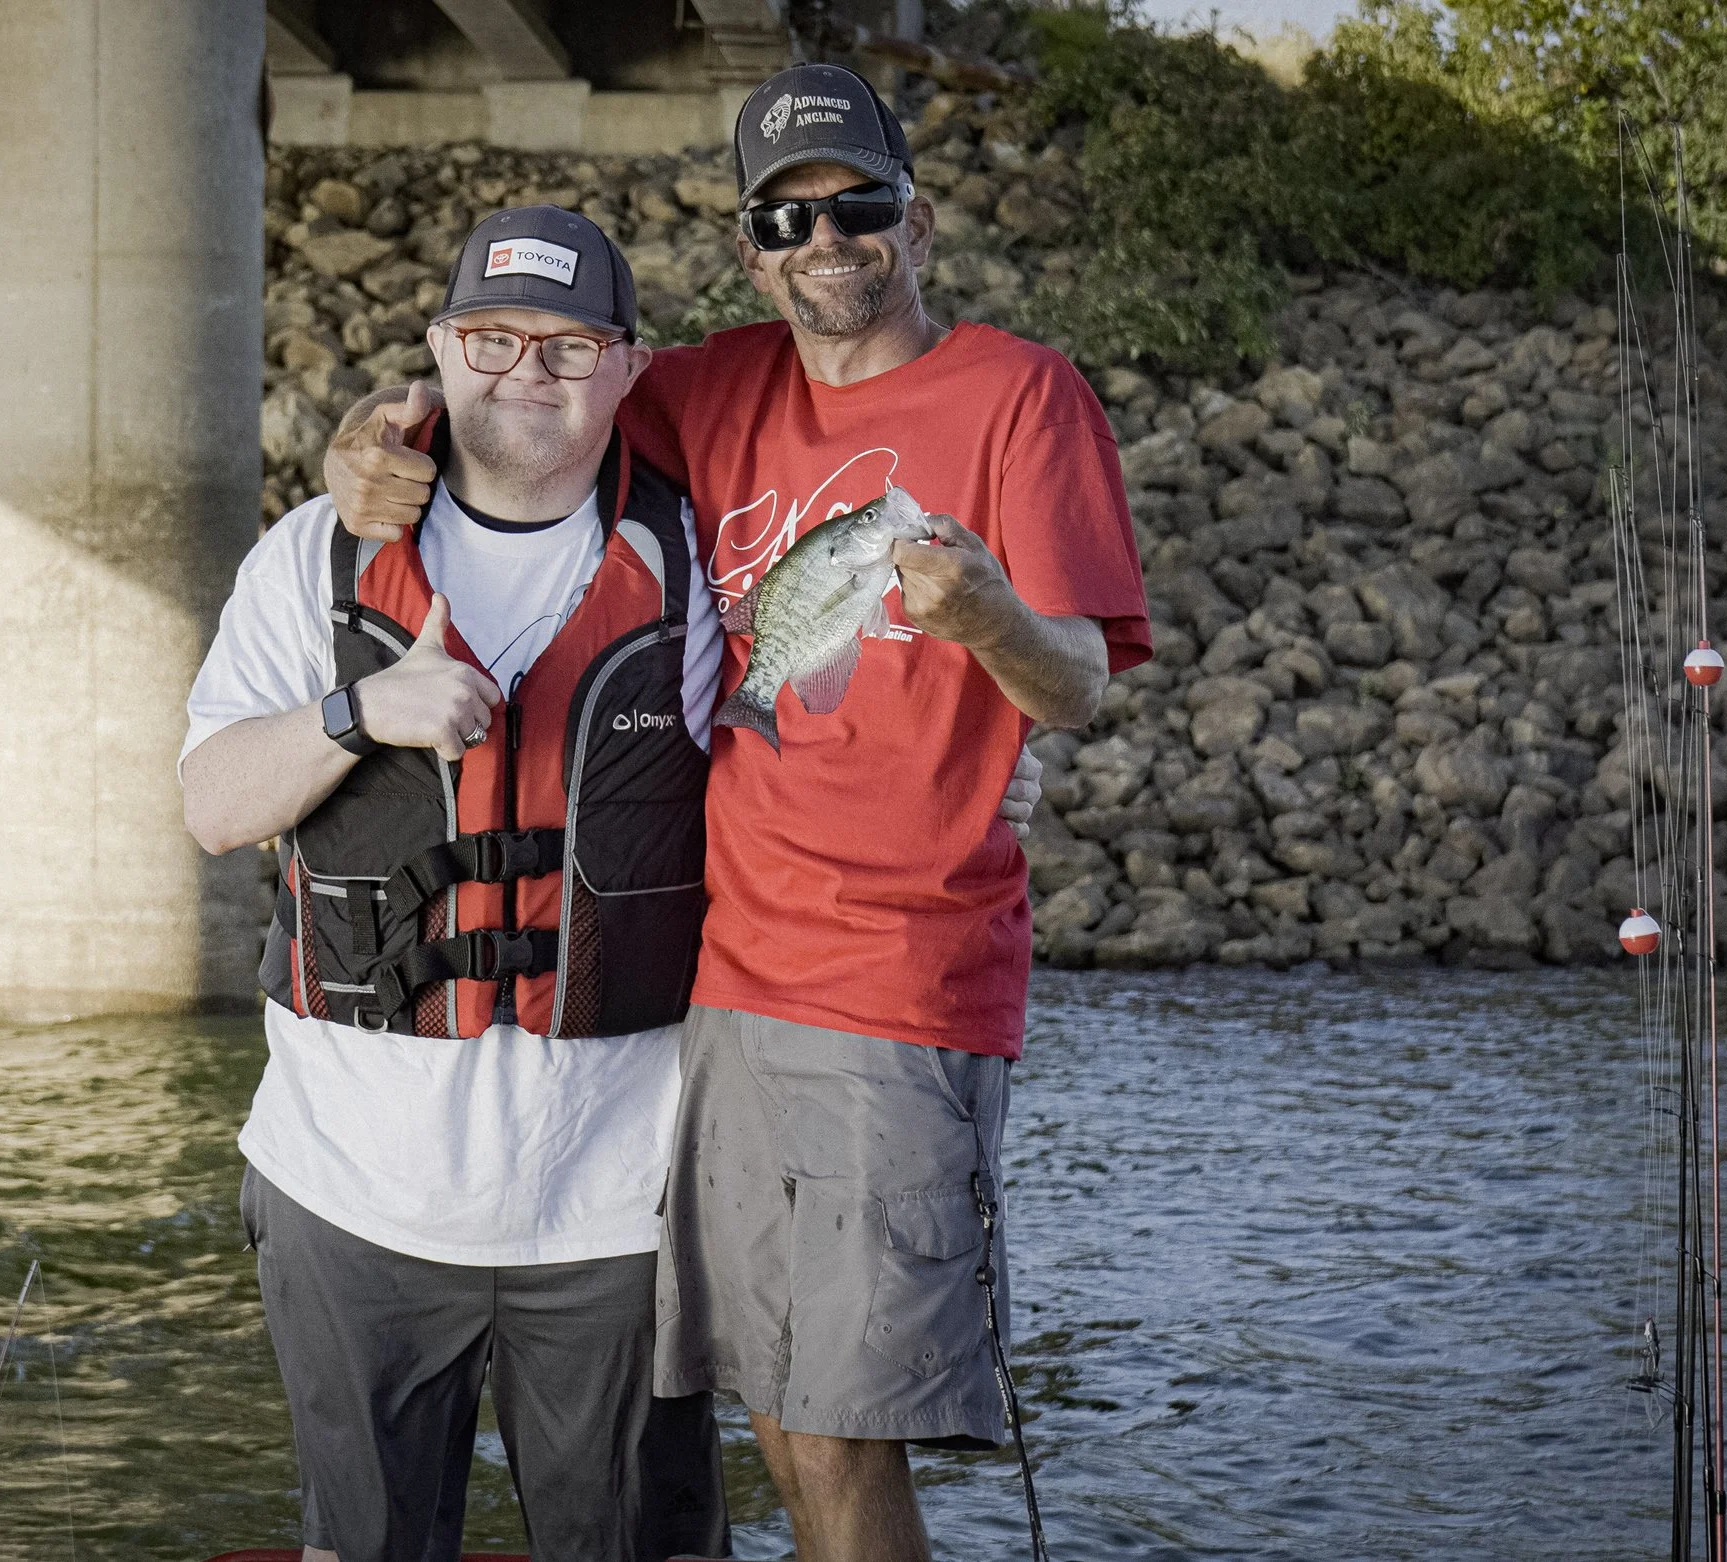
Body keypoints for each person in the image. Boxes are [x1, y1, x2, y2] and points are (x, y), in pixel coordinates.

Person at [323, 63, 1151, 1562]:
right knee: (770, 1407)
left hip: (902, 986)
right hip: (720, 982)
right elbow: (525, 396)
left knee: (843, 1426)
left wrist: (987, 619)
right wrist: (377, 437)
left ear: (921, 217)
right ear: (754, 246)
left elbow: (1083, 679)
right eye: (790, 214)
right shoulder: (710, 388)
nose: (827, 237)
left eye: (860, 204)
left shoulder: (1023, 394)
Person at [180, 206, 730, 1562]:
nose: (526, 372)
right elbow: (209, 805)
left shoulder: (705, 570)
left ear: (628, 366)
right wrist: (360, 710)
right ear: (438, 350)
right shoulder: (310, 554)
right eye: (492, 336)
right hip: (350, 1196)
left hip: (619, 1211)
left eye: (568, 344)